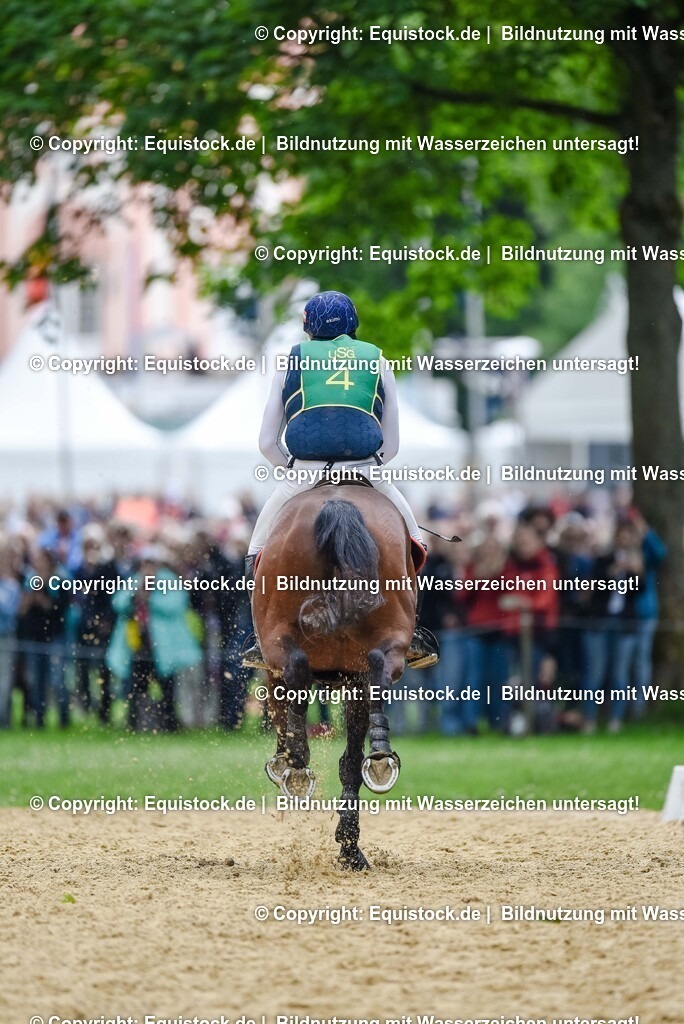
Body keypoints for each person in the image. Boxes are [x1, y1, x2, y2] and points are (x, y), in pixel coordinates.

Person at [242, 290, 436, 669]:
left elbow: (267, 442)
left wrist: (294, 470)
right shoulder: (378, 359)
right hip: (366, 471)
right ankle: (413, 635)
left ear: (309, 327)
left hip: (303, 474)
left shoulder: (290, 360)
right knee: (415, 547)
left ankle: (260, 640)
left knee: (255, 555)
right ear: (353, 324)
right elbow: (391, 445)